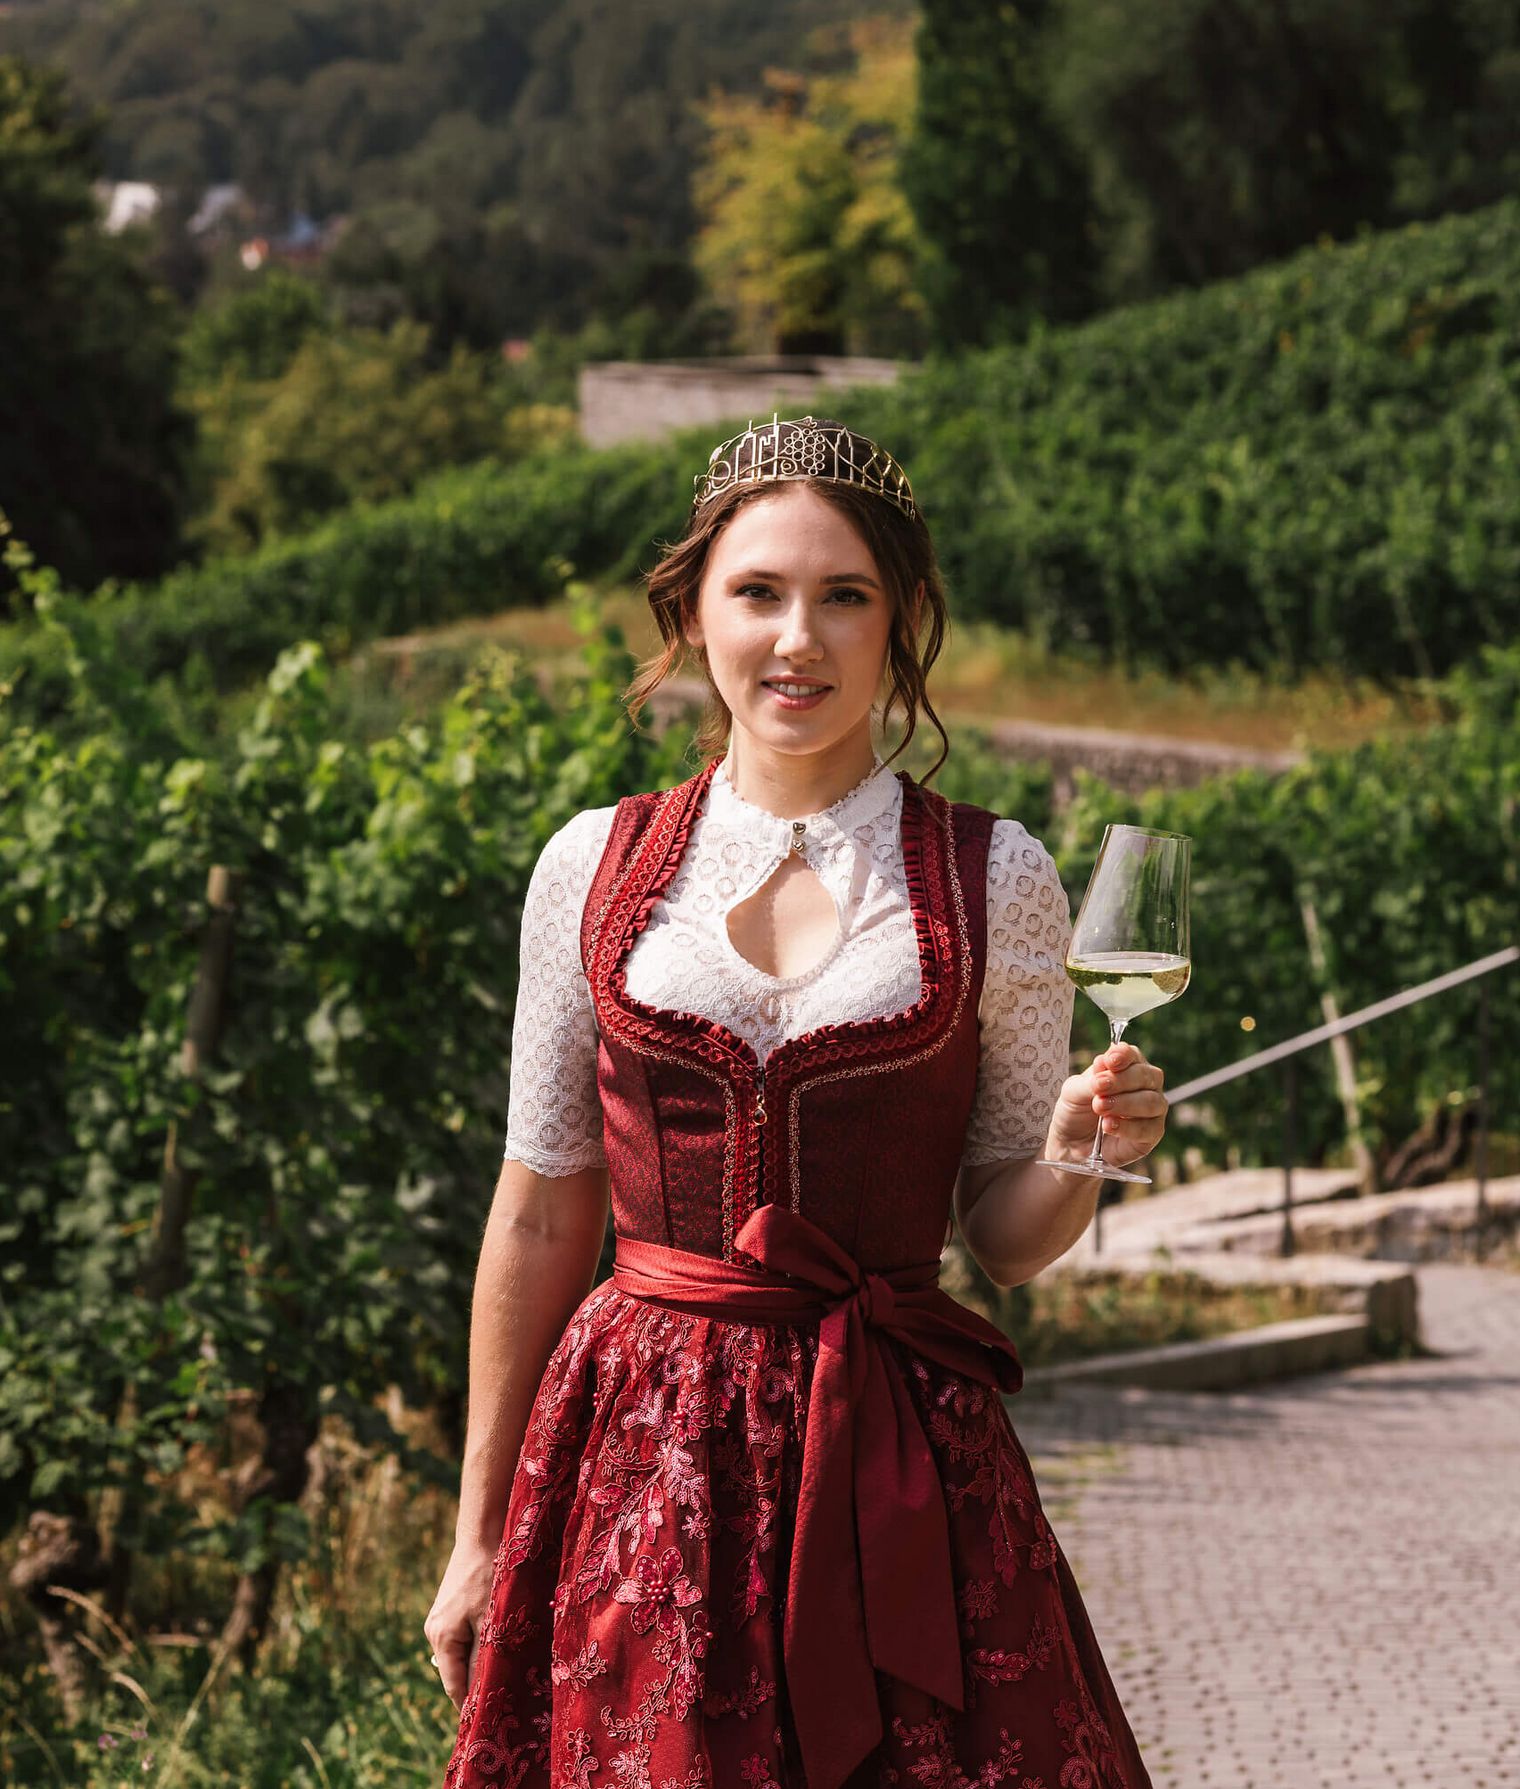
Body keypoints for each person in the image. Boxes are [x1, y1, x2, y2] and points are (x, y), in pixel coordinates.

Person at [427, 416, 1167, 1789]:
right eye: (759, 591)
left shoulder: (996, 878)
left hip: (902, 1466)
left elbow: (1003, 1234)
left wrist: (1077, 1153)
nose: (798, 639)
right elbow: (538, 1211)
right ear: (693, 607)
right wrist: (477, 1536)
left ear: (904, 621)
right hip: (639, 1472)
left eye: (845, 596)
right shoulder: (589, 866)